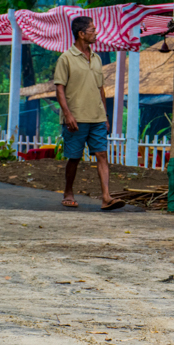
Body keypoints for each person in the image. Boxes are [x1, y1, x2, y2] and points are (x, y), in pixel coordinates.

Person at [53, 16, 125, 211]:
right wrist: (67, 115)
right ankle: (68, 192)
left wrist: (105, 116)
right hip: (76, 118)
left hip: (97, 118)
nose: (96, 33)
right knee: (74, 157)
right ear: (81, 34)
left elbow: (100, 88)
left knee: (102, 154)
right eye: (92, 30)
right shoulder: (65, 59)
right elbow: (59, 89)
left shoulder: (97, 58)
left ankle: (106, 197)